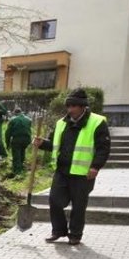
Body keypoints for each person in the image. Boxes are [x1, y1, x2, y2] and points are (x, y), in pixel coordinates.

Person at [33, 88, 111, 246]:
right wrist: (42, 144)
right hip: (62, 171)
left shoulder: (97, 122)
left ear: (82, 107)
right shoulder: (61, 123)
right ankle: (58, 231)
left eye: (74, 106)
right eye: (68, 106)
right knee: (54, 200)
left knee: (79, 205)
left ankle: (75, 234)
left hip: (83, 173)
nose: (70, 110)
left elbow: (104, 147)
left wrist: (96, 167)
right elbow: (54, 145)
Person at [5, 107, 33, 176]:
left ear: (15, 113)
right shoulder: (29, 120)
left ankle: (17, 171)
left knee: (16, 154)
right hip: (27, 139)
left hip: (17, 139)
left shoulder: (12, 120)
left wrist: (7, 143)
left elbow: (8, 133)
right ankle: (21, 166)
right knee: (22, 151)